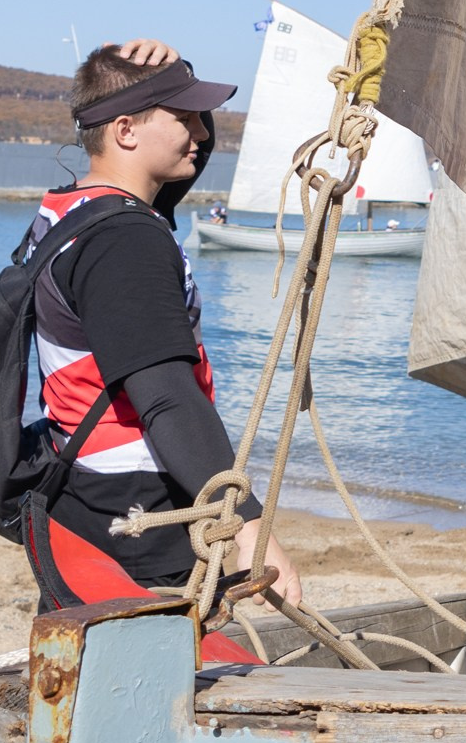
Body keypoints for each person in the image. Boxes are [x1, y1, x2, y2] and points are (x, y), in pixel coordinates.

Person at [20, 39, 300, 609]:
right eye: (185, 117)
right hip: (136, 505)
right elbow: (165, 398)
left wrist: (176, 78)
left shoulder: (71, 211)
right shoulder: (126, 242)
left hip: (81, 483)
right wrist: (245, 525)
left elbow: (184, 160)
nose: (201, 134)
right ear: (125, 130)